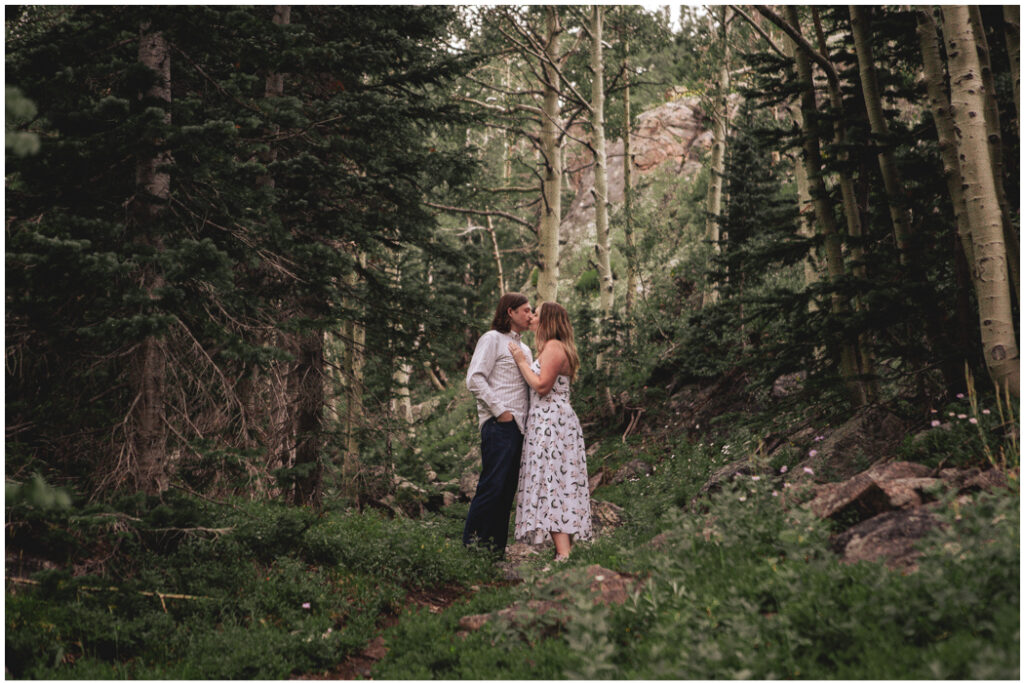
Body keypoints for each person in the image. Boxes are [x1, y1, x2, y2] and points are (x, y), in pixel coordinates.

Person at [508, 301, 592, 561]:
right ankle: (563, 552)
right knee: (552, 482)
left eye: (536, 314)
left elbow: (543, 387)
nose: (532, 317)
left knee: (552, 482)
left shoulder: (554, 347)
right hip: (545, 421)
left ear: (548, 321)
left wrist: (521, 362)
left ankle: (563, 554)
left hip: (552, 422)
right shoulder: (550, 347)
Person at [463, 292, 534, 558]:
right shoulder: (492, 339)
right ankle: (471, 550)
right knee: (492, 486)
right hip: (499, 425)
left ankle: (494, 553)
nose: (530, 315)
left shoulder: (526, 350)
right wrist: (501, 411)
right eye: (526, 310)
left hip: (519, 429)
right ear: (510, 312)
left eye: (531, 311)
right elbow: (474, 378)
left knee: (506, 491)